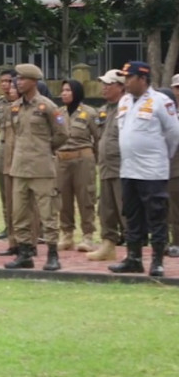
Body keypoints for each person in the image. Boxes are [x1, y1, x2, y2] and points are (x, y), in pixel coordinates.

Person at [109, 61, 179, 277]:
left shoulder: (161, 101)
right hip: (129, 169)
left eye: (129, 78)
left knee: (156, 216)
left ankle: (157, 261)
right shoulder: (124, 102)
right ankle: (134, 258)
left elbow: (173, 136)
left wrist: (160, 157)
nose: (126, 82)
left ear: (142, 79)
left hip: (152, 171)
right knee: (132, 215)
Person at [4, 63, 68, 271]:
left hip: (42, 168)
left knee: (48, 213)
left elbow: (62, 134)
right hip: (20, 167)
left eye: (22, 79)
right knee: (20, 214)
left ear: (33, 81)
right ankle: (24, 253)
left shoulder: (47, 106)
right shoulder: (15, 107)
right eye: (17, 79)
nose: (18, 83)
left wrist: (44, 149)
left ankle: (52, 253)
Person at [56, 79, 100, 252]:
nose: (64, 93)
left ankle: (88, 235)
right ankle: (67, 234)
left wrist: (95, 160)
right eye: (63, 90)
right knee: (63, 199)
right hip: (62, 160)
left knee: (86, 197)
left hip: (83, 159)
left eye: (68, 90)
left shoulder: (89, 113)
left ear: (77, 92)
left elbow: (98, 138)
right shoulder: (58, 113)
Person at [87, 70, 126, 261]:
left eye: (109, 84)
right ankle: (108, 245)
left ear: (121, 86)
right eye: (103, 83)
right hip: (105, 167)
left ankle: (136, 250)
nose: (104, 87)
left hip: (123, 168)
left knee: (125, 210)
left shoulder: (127, 108)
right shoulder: (104, 110)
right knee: (106, 210)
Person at [0, 70, 17, 241]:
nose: (4, 85)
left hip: (20, 148)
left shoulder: (23, 103)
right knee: (4, 189)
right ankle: (8, 225)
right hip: (3, 147)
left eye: (8, 81)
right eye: (2, 81)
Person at [170, 74, 179, 258]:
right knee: (173, 207)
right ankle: (176, 242)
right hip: (173, 166)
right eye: (177, 87)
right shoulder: (169, 113)